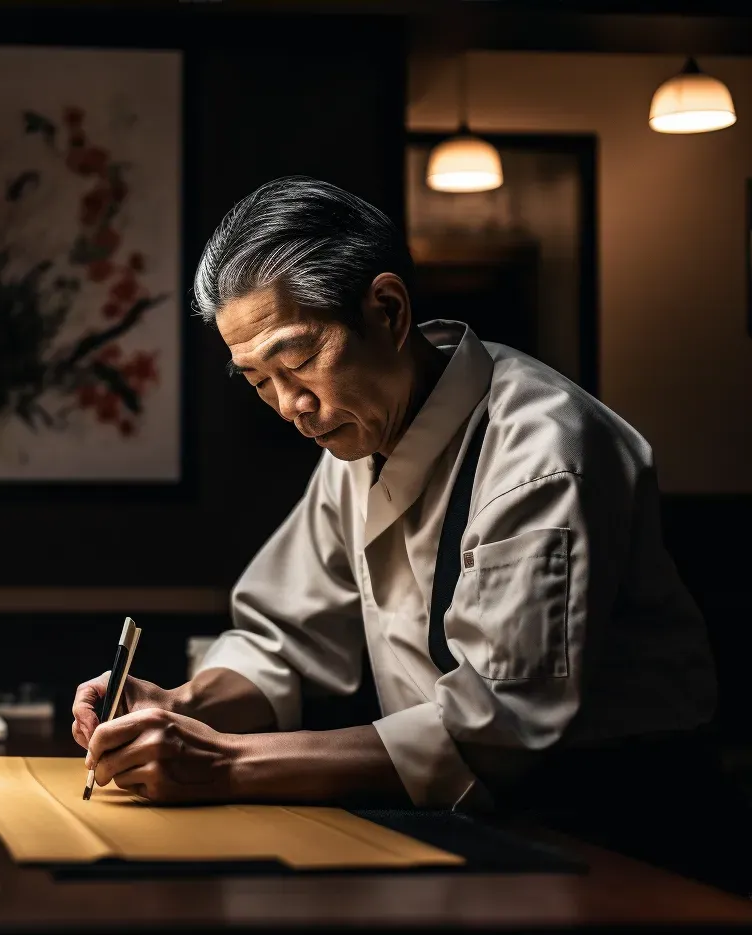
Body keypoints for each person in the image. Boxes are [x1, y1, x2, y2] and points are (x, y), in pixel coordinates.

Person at [73, 177, 740, 887]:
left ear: (387, 311)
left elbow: (495, 728)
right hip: (471, 819)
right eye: (259, 381)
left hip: (618, 830)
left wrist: (226, 763)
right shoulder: (354, 436)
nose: (291, 406)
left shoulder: (541, 455)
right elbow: (285, 639)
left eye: (298, 361)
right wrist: (184, 704)